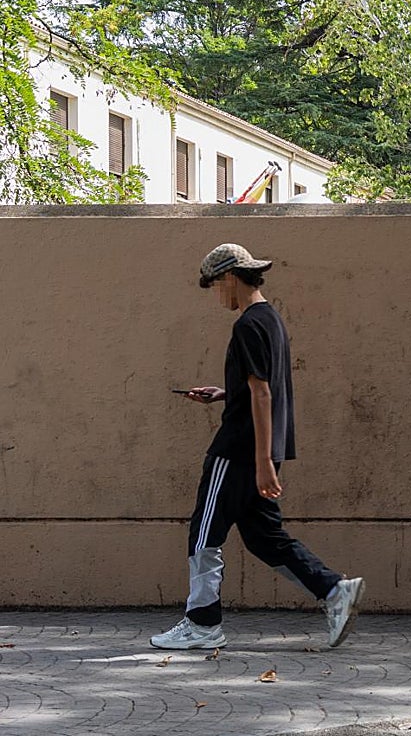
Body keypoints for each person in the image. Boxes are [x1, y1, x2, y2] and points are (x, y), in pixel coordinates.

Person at [151, 243, 364, 650]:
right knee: (264, 537)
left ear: (231, 278)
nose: (217, 295)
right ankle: (334, 591)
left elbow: (262, 393)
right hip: (261, 449)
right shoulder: (271, 320)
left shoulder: (247, 325)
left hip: (237, 451)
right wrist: (224, 394)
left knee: (204, 533)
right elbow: (258, 389)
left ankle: (202, 624)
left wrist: (262, 460)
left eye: (216, 286)